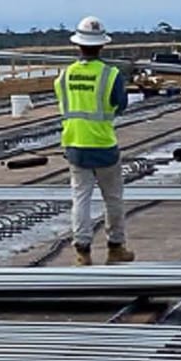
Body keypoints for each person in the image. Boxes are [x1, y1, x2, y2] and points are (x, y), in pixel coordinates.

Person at [55, 15, 135, 266]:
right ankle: (115, 248)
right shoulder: (110, 75)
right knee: (113, 198)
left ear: (78, 44)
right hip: (103, 145)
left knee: (80, 198)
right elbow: (120, 105)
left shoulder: (64, 75)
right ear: (102, 45)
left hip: (75, 145)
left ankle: (82, 251)